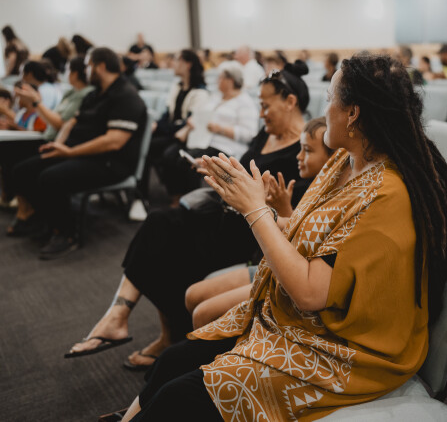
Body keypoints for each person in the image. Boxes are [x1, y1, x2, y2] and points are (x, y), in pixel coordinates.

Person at [113, 53, 447, 422]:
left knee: (179, 398)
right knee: (173, 360)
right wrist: (250, 199)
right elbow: (306, 232)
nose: (324, 108)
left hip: (339, 350)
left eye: (329, 99)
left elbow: (310, 293)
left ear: (352, 113)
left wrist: (255, 210)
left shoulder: (386, 195)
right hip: (292, 322)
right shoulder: (343, 162)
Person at [65, 62, 312, 373]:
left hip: (250, 233)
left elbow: (294, 211)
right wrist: (220, 171)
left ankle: (145, 327)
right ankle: (127, 318)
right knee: (158, 224)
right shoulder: (266, 134)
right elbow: (245, 171)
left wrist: (257, 197)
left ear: (290, 102)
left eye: (265, 105)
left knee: (163, 244)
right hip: (223, 215)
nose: (261, 113)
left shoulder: (306, 150)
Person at [184, 117, 333, 329]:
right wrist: (262, 205)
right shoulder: (308, 186)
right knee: (192, 295)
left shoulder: (319, 193)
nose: (298, 156)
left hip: (289, 272)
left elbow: (299, 246)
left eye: (307, 150)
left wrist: (273, 208)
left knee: (203, 313)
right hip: (266, 263)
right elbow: (289, 225)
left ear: (333, 159)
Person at [9, 47, 147, 259]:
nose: (86, 70)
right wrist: (59, 145)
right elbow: (71, 123)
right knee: (22, 171)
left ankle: (66, 234)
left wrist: (70, 152)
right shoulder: (94, 94)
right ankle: (46, 220)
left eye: (88, 66)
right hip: (79, 152)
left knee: (50, 178)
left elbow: (113, 142)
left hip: (110, 163)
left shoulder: (126, 96)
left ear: (100, 66)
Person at [1, 57, 94, 215]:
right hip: (50, 137)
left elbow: (59, 123)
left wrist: (35, 102)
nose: (65, 73)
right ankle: (22, 205)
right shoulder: (71, 92)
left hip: (55, 139)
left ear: (75, 73)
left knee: (16, 160)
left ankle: (29, 209)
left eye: (68, 69)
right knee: (7, 151)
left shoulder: (84, 94)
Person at [156, 60, 258, 201]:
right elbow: (201, 114)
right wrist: (193, 121)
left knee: (188, 162)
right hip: (202, 140)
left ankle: (189, 200)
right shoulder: (216, 97)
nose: (217, 81)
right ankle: (176, 196)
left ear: (230, 80)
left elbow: (249, 134)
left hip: (224, 146)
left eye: (220, 77)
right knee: (170, 154)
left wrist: (221, 129)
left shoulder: (245, 102)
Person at [143, 49, 209, 204]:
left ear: (188, 64)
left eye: (178, 60)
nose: (174, 64)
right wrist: (157, 124)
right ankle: (143, 194)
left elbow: (188, 122)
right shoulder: (177, 86)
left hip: (185, 136)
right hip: (171, 131)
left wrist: (165, 127)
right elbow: (168, 114)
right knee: (143, 142)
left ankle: (174, 195)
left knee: (167, 153)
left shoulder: (200, 93)